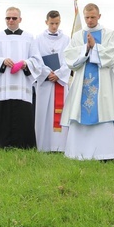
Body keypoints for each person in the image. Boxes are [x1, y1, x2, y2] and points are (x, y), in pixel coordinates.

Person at [61, 3, 114, 161]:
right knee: (79, 112)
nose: (89, 20)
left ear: (99, 16)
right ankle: (78, 153)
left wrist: (95, 47)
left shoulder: (109, 34)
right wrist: (86, 49)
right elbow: (69, 56)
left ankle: (105, 153)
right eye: (87, 17)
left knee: (104, 112)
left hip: (103, 83)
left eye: (93, 17)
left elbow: (112, 56)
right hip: (82, 79)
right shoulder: (77, 35)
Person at [0, 7, 42, 150]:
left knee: (21, 114)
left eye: (14, 18)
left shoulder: (28, 37)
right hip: (3, 83)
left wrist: (25, 63)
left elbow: (37, 60)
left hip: (21, 83)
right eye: (8, 18)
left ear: (20, 19)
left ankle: (23, 145)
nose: (10, 21)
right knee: (1, 113)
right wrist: (2, 61)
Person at [34, 11, 71, 152]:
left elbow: (70, 59)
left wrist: (59, 74)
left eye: (57, 23)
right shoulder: (38, 39)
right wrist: (47, 72)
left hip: (60, 81)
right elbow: (36, 58)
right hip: (45, 82)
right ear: (46, 22)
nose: (54, 26)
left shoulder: (67, 39)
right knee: (44, 113)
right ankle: (43, 145)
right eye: (52, 23)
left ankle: (61, 145)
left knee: (62, 113)